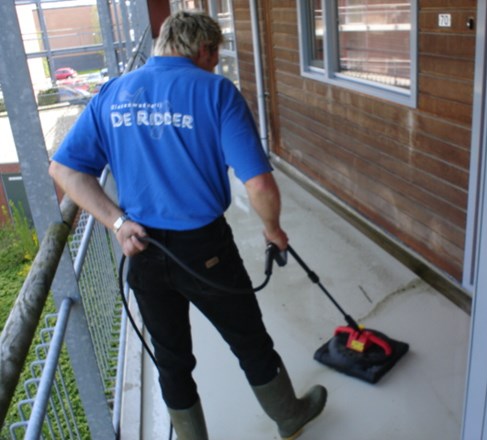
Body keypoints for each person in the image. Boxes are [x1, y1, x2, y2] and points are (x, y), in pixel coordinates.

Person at [49, 10, 327, 440]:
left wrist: (117, 222)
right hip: (205, 250)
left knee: (171, 358)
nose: (216, 65)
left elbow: (65, 171)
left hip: (142, 248)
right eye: (215, 56)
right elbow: (258, 184)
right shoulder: (216, 92)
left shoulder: (114, 93)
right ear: (204, 50)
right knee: (249, 339)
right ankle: (289, 417)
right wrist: (273, 231)